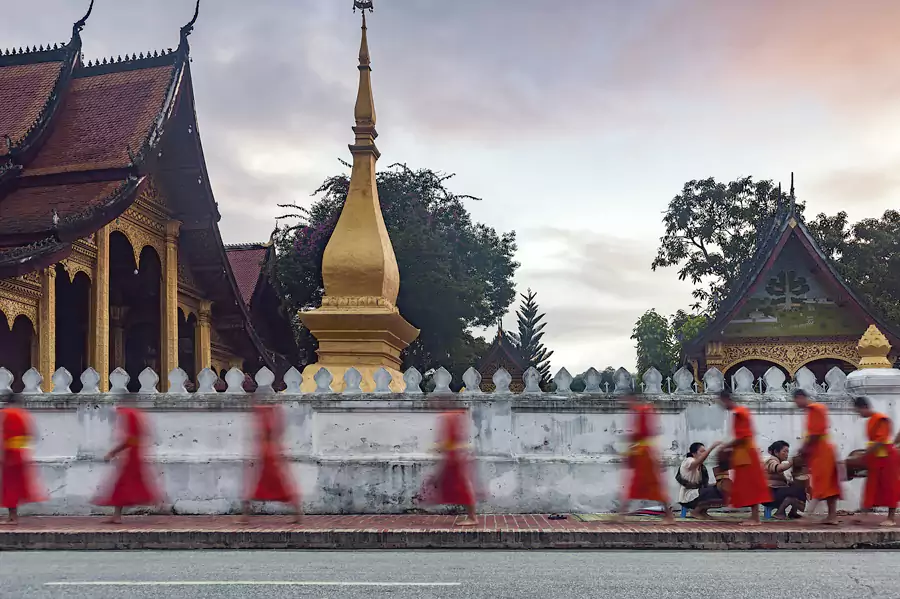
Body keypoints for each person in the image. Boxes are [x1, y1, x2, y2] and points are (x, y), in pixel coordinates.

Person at [93, 399, 163, 524]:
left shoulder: (129, 414)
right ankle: (117, 515)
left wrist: (113, 452)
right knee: (125, 484)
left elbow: (130, 439)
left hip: (132, 455)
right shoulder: (135, 414)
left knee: (125, 484)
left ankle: (158, 502)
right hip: (133, 453)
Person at [615, 394, 675, 524]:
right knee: (635, 485)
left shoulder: (642, 411)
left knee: (653, 486)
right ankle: (621, 514)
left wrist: (627, 439)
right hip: (642, 453)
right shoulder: (640, 411)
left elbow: (641, 434)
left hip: (645, 455)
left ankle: (669, 516)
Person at [716, 390, 772, 525]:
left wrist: (725, 447)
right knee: (747, 485)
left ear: (725, 399)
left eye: (721, 401)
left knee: (751, 485)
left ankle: (755, 518)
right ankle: (754, 517)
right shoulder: (738, 413)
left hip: (747, 453)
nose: (721, 405)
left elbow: (743, 437)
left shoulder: (740, 413)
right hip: (743, 454)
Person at [243, 401, 302, 523]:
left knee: (259, 485)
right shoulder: (272, 415)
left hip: (268, 454)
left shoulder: (267, 416)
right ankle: (297, 514)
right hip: (270, 452)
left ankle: (245, 516)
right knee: (278, 485)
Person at [421, 408, 478, 526]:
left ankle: (472, 518)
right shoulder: (452, 416)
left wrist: (440, 447)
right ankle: (471, 517)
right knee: (454, 484)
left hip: (456, 458)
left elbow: (453, 440)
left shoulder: (450, 417)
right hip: (454, 457)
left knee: (462, 487)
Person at [792, 389, 841, 525]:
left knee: (823, 483)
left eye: (795, 400)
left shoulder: (815, 409)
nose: (796, 403)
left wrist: (803, 449)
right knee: (828, 484)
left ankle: (810, 514)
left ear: (800, 397)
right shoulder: (812, 411)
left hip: (822, 451)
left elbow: (815, 434)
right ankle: (831, 516)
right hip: (820, 451)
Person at [852, 396, 900, 526]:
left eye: (858, 411)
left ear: (865, 407)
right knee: (871, 486)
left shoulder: (881, 419)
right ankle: (863, 514)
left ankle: (890, 518)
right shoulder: (870, 421)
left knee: (890, 487)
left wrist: (863, 455)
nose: (859, 414)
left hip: (888, 458)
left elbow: (880, 441)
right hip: (876, 458)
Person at [0, 393, 45, 524]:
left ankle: (12, 517)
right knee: (17, 486)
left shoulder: (7, 414)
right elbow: (32, 435)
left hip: (10, 454)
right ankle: (13, 516)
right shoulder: (24, 414)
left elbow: (3, 435)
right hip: (21, 452)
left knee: (9, 487)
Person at [677, 441, 724, 519]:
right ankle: (695, 511)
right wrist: (711, 447)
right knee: (710, 492)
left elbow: (704, 485)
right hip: (688, 497)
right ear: (694, 454)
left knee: (717, 489)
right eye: (702, 452)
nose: (704, 453)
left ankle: (703, 511)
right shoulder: (688, 461)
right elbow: (697, 462)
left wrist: (717, 484)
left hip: (697, 493)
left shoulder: (702, 467)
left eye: (704, 452)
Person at [763, 441, 806, 519]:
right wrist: (791, 462)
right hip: (769, 494)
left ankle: (792, 512)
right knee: (795, 490)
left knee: (797, 487)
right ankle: (780, 513)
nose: (787, 454)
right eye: (784, 451)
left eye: (788, 452)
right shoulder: (771, 461)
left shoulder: (778, 461)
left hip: (775, 492)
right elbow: (778, 468)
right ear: (776, 452)